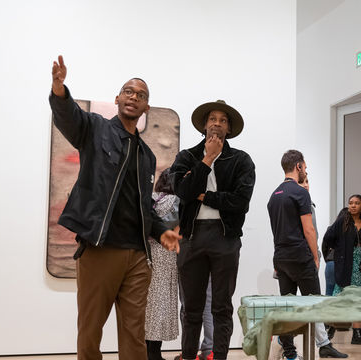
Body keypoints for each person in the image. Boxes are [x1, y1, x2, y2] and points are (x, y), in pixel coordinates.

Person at [49, 55, 181, 360]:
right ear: (118, 99)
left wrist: (162, 230)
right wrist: (59, 91)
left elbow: (143, 204)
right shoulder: (95, 129)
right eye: (129, 91)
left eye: (141, 95)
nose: (134, 97)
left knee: (135, 334)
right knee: (91, 330)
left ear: (147, 107)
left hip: (137, 255)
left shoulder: (146, 155)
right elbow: (69, 117)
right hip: (100, 248)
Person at [171, 100, 256, 360]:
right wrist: (207, 159)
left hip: (225, 238)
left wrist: (205, 196)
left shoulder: (240, 160)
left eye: (223, 120)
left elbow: (240, 203)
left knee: (221, 307)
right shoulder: (187, 156)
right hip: (192, 237)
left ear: (229, 128)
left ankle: (219, 356)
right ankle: (187, 356)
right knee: (191, 308)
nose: (217, 123)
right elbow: (183, 192)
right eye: (212, 119)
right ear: (204, 125)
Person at [267, 150, 347, 359]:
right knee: (314, 304)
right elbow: (309, 229)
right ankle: (322, 346)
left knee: (288, 305)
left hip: (281, 258)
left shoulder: (273, 196)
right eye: (305, 167)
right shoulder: (301, 193)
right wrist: (316, 255)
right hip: (300, 257)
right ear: (299, 166)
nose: (306, 171)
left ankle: (291, 353)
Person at [322, 194, 361, 346]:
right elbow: (328, 238)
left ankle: (357, 333)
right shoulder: (342, 221)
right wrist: (339, 251)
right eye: (351, 203)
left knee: (357, 299)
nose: (353, 206)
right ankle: (331, 327)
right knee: (339, 297)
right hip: (345, 264)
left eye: (357, 203)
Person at [146, 168, 181, 360]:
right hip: (165, 253)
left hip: (147, 253)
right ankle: (154, 354)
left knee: (149, 304)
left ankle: (147, 351)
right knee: (161, 303)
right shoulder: (175, 201)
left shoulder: (152, 196)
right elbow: (174, 225)